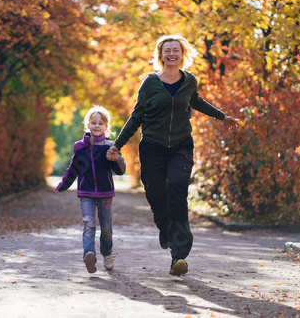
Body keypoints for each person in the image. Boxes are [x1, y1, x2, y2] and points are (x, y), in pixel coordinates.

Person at [107, 34, 239, 277]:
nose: (171, 54)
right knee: (157, 196)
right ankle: (165, 229)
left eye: (176, 50)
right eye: (167, 50)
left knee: (177, 192)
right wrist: (118, 144)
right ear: (161, 55)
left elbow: (197, 101)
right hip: (152, 148)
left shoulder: (189, 81)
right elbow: (136, 116)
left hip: (180, 146)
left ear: (182, 54)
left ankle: (178, 254)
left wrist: (222, 116)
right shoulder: (149, 83)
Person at [54, 105, 126, 274]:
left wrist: (117, 158)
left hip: (105, 193)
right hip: (86, 193)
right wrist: (62, 185)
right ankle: (89, 255)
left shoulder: (110, 146)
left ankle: (107, 254)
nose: (96, 126)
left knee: (106, 228)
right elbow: (72, 169)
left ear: (106, 126)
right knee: (89, 225)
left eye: (100, 123)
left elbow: (120, 170)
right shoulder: (80, 147)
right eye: (93, 122)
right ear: (87, 124)